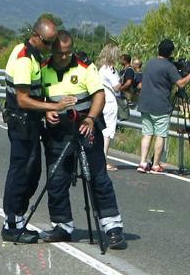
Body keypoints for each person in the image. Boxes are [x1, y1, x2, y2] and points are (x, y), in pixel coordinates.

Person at [39, 31, 126, 249]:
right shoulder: (43, 69)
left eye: (68, 53)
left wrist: (90, 118)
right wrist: (46, 113)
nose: (64, 57)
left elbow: (99, 95)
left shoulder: (86, 68)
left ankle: (112, 228)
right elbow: (39, 99)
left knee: (98, 178)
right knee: (56, 178)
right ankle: (62, 225)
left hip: (86, 128)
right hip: (58, 131)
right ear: (52, 51)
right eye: (60, 53)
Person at [0, 16, 77, 243]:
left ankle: (17, 219)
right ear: (36, 37)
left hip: (30, 123)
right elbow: (23, 99)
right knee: (22, 172)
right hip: (21, 122)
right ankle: (12, 224)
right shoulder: (24, 59)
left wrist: (44, 112)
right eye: (49, 43)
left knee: (31, 172)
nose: (52, 48)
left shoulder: (31, 55)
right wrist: (54, 106)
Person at [136, 39, 190, 173]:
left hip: (145, 104)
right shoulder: (169, 66)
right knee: (160, 135)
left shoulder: (150, 63)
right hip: (160, 105)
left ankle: (142, 162)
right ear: (171, 52)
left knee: (147, 134)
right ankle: (155, 165)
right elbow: (181, 84)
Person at [96, 43, 122, 170]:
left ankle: (100, 159)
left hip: (102, 100)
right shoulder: (110, 70)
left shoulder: (101, 68)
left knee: (102, 131)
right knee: (108, 132)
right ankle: (103, 160)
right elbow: (116, 86)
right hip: (110, 101)